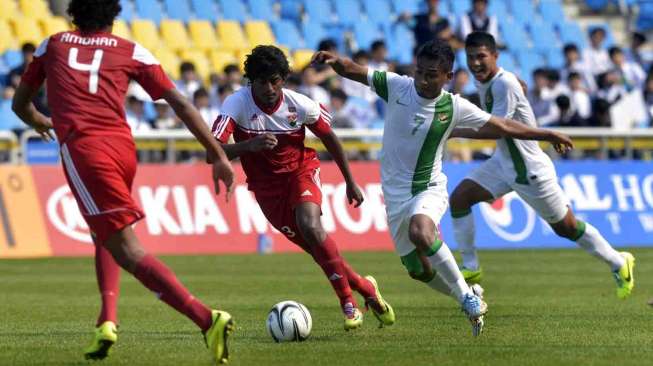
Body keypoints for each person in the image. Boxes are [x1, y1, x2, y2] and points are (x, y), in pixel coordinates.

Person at [11, 1, 236, 364]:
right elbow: (179, 102)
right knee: (104, 233)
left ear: (74, 14)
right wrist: (219, 155)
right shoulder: (132, 50)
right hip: (123, 150)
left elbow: (20, 105)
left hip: (87, 152)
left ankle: (206, 319)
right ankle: (107, 321)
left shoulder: (52, 44)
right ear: (113, 18)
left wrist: (39, 119)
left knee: (128, 249)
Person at [312, 38, 574, 336]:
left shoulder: (453, 106)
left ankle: (466, 299)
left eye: (431, 74)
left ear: (448, 76)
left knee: (421, 231)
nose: (423, 79)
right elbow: (356, 70)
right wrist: (334, 61)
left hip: (429, 187)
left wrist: (546, 133)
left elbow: (501, 126)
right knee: (418, 271)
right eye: (420, 71)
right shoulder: (398, 86)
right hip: (395, 195)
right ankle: (467, 294)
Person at [210, 45, 395, 331]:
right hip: (266, 189)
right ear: (251, 82)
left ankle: (348, 302)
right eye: (262, 82)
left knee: (311, 226)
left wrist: (350, 180)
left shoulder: (300, 104)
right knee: (315, 248)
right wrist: (248, 145)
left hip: (301, 171)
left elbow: (330, 138)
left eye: (275, 80)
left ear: (283, 79)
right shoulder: (237, 104)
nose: (270, 88)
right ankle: (365, 287)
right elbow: (213, 152)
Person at [448, 32, 634, 300]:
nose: (475, 63)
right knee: (460, 199)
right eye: (471, 58)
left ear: (495, 56)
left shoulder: (503, 84)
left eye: (481, 57)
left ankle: (619, 262)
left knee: (566, 228)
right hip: (504, 163)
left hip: (529, 170)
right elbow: (515, 91)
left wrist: (456, 131)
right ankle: (471, 268)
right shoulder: (491, 81)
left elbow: (498, 130)